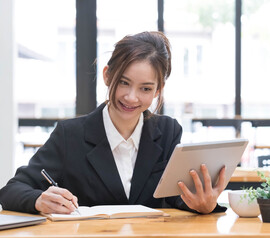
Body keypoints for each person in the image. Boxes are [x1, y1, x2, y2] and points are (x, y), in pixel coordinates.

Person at [0, 31, 226, 214]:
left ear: (158, 90)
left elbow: (175, 198)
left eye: (145, 88)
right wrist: (39, 200)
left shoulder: (167, 131)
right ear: (108, 75)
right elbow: (11, 190)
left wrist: (202, 205)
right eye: (124, 83)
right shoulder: (70, 135)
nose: (131, 97)